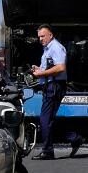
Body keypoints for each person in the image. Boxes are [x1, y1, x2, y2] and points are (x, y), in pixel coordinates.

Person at [30, 25, 82, 160]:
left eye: (43, 36)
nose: (40, 39)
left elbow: (60, 67)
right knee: (48, 120)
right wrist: (39, 69)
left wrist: (42, 73)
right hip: (50, 86)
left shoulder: (56, 47)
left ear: (51, 35)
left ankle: (48, 151)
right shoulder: (47, 49)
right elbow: (50, 66)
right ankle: (74, 138)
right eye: (39, 37)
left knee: (44, 119)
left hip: (55, 86)